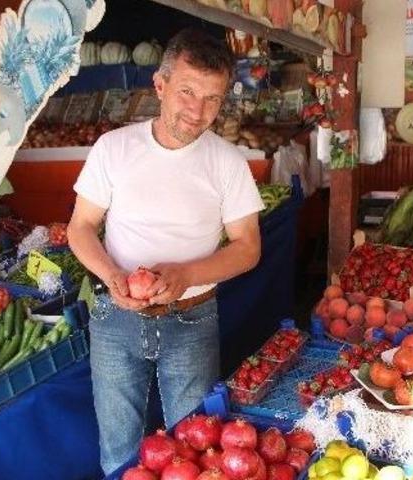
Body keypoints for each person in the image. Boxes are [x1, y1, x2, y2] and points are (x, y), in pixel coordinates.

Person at [67, 29, 264, 474]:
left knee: (196, 448)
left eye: (213, 99)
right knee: (120, 449)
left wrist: (186, 275)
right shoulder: (113, 149)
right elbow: (80, 227)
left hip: (192, 317)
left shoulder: (228, 162)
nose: (197, 111)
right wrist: (111, 275)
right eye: (187, 92)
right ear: (161, 85)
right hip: (115, 317)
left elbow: (248, 248)